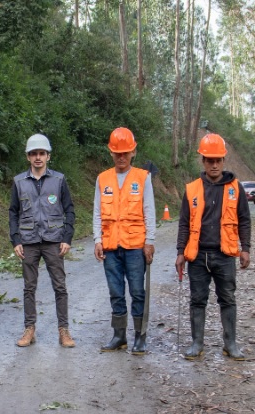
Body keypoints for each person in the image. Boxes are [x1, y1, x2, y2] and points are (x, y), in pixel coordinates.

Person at [174, 133, 252, 361]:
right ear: (203, 161)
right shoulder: (192, 190)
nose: (214, 164)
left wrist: (245, 248)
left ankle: (230, 344)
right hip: (197, 255)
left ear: (224, 160)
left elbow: (244, 219)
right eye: (210, 160)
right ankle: (197, 343)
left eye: (218, 160)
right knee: (197, 299)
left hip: (224, 255)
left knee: (227, 299)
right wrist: (180, 252)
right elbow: (184, 223)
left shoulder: (236, 188)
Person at [9, 134, 76, 348]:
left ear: (48, 156)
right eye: (34, 154)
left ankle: (63, 330)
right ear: (28, 157)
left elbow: (69, 209)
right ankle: (30, 329)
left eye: (41, 153)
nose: (38, 157)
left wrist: (67, 237)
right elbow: (13, 212)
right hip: (28, 241)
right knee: (29, 287)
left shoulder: (59, 180)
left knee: (60, 286)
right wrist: (16, 239)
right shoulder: (19, 182)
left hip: (53, 240)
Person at [93, 127, 156, 355]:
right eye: (117, 153)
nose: (121, 157)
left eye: (125, 153)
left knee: (138, 291)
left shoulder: (143, 177)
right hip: (111, 247)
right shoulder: (103, 179)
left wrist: (149, 241)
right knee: (116, 292)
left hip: (135, 248)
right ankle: (119, 336)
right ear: (111, 153)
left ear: (133, 152)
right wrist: (97, 239)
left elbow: (149, 211)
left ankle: (140, 336)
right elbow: (98, 213)